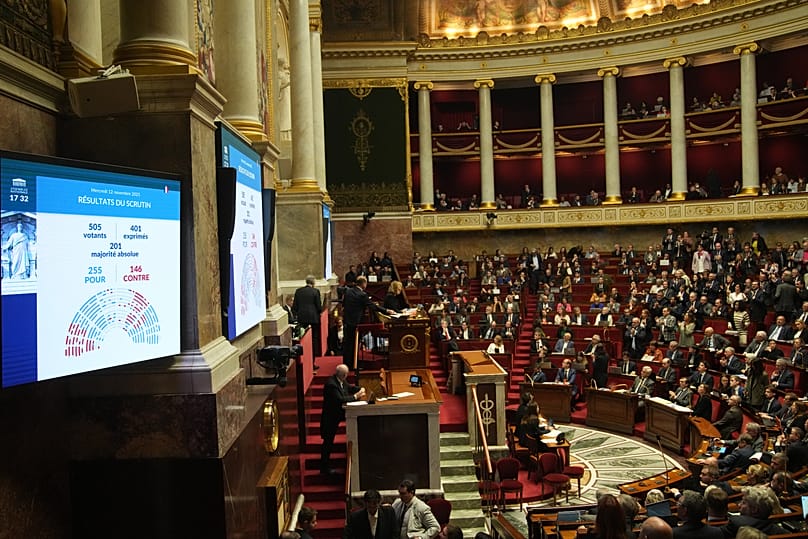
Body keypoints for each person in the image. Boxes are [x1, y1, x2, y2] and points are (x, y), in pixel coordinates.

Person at [320, 364, 366, 475]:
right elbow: (339, 399)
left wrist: (360, 389)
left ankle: (325, 466)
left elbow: (349, 388)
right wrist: (356, 396)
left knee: (328, 443)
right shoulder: (331, 385)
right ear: (344, 375)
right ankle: (324, 468)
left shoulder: (340, 380)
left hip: (336, 416)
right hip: (330, 419)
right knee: (328, 443)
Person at [343, 276, 394, 367]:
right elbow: (372, 306)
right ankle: (353, 364)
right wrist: (386, 311)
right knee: (354, 343)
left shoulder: (348, 292)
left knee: (348, 343)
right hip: (356, 322)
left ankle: (347, 363)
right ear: (363, 284)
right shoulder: (362, 295)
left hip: (347, 320)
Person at [719, 486, 788, 537]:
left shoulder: (737, 523)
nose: (739, 505)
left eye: (744, 502)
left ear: (754, 509)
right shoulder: (782, 533)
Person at [293, 275, 322, 365]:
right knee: (313, 340)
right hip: (313, 319)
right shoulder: (315, 291)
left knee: (302, 339)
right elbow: (319, 307)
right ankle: (312, 362)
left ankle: (303, 361)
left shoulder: (298, 291)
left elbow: (295, 307)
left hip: (302, 319)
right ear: (313, 283)